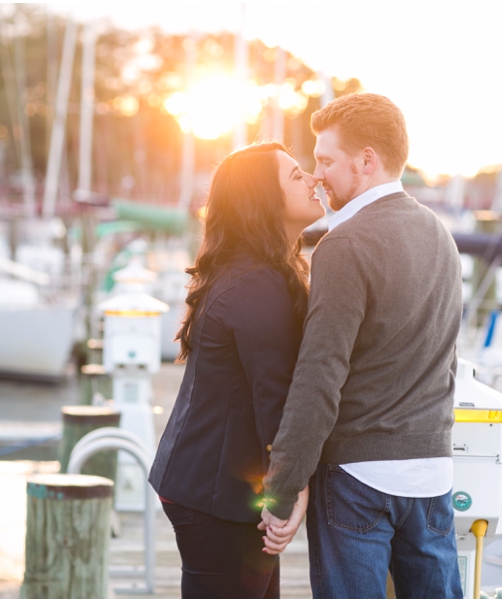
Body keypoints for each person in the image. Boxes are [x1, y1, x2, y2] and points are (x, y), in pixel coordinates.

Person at [260, 93, 465, 599]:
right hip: (432, 477)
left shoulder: (345, 244)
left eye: (326, 160)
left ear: (367, 160)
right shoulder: (441, 235)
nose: (318, 174)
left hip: (357, 482)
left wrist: (282, 490)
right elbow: (445, 361)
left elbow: (319, 376)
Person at [149, 142, 324, 598]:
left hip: (212, 483)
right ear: (263, 200)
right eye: (295, 175)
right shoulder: (255, 284)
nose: (313, 180)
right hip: (216, 495)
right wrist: (291, 491)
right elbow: (276, 399)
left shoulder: (258, 272)